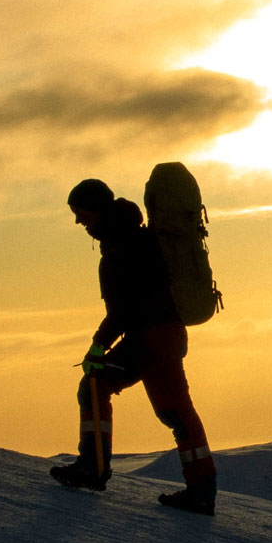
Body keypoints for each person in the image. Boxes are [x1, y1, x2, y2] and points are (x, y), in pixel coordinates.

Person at [49, 178, 218, 513]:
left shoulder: (123, 246)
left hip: (154, 341)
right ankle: (95, 468)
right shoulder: (126, 239)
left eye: (80, 213)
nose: (78, 222)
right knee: (105, 387)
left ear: (96, 209)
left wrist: (97, 346)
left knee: (173, 412)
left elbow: (123, 310)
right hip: (154, 339)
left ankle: (198, 490)